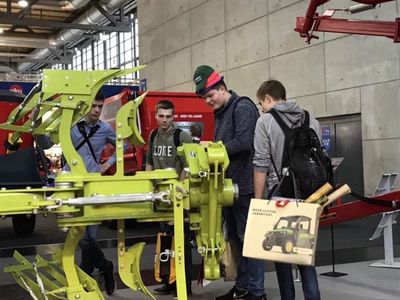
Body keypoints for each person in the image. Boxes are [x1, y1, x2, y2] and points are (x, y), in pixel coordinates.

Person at [193, 65, 265, 300]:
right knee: (235, 240)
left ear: (222, 89)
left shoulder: (243, 107)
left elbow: (245, 141)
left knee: (249, 241)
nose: (207, 101)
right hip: (227, 189)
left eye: (210, 96)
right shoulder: (222, 113)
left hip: (243, 188)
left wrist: (213, 149)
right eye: (204, 98)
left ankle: (256, 291)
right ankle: (243, 287)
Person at [253, 79, 321, 300]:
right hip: (310, 195)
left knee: (282, 259)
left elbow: (261, 164)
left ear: (269, 98)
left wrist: (259, 201)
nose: (261, 108)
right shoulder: (311, 119)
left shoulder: (265, 122)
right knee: (305, 257)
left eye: (261, 103)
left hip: (280, 194)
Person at [66, 90, 116, 296]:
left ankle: (87, 278)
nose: (97, 110)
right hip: (73, 186)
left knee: (90, 237)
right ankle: (105, 267)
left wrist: (109, 163)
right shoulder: (70, 127)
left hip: (94, 185)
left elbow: (125, 144)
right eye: (93, 106)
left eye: (100, 107)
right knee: (82, 237)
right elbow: (48, 142)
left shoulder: (105, 129)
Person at [145, 100, 193, 296]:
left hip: (177, 197)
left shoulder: (182, 136)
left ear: (173, 117)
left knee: (181, 242)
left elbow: (189, 166)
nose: (165, 120)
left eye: (168, 116)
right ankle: (168, 281)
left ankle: (184, 284)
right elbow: (148, 161)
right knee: (165, 241)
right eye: (161, 116)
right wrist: (148, 188)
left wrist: (179, 191)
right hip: (159, 197)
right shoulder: (153, 135)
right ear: (156, 116)